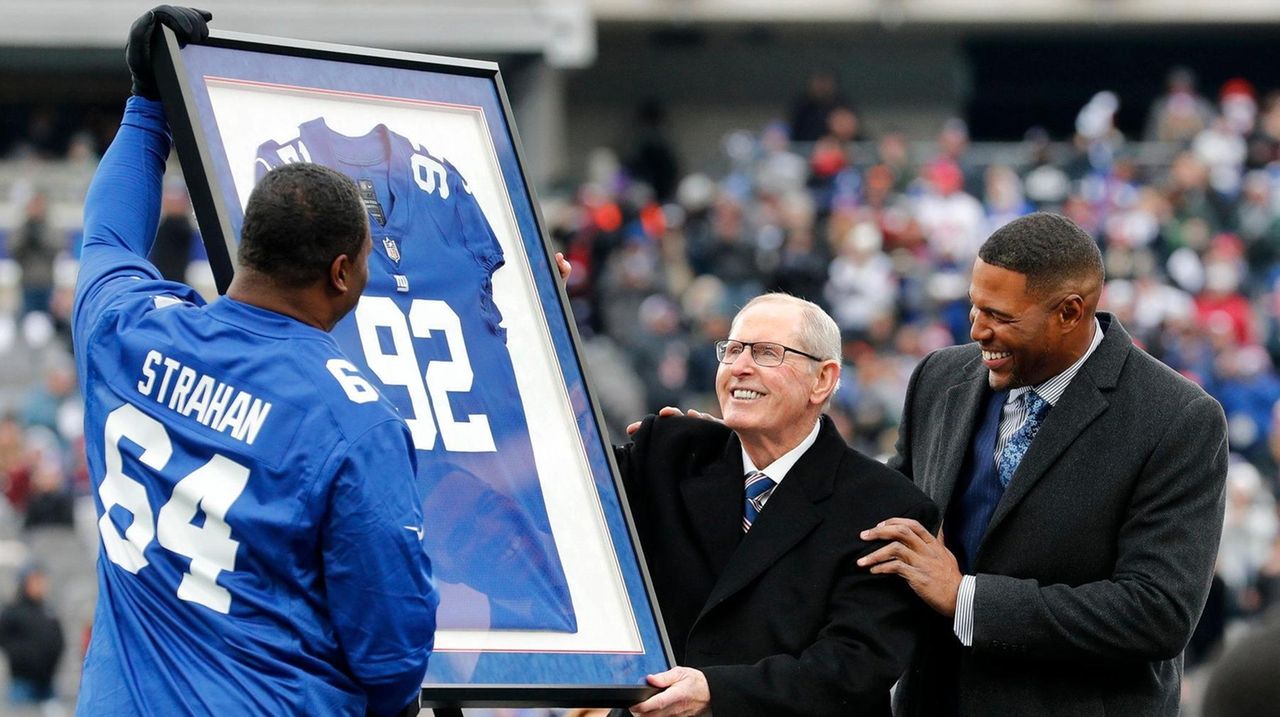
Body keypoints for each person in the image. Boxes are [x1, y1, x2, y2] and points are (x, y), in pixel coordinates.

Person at [73, 7, 436, 716]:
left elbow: (106, 236)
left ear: (251, 246)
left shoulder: (129, 330)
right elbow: (390, 656)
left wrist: (148, 102)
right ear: (341, 272)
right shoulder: (354, 417)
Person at [861, 212, 1228, 715]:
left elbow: (1157, 613)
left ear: (1070, 312)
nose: (977, 330)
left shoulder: (1178, 418)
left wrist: (967, 599)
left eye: (1001, 316)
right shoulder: (939, 376)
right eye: (974, 307)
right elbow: (892, 520)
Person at [616, 293, 937, 717]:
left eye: (767, 353)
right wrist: (536, 313)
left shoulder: (888, 507)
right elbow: (558, 485)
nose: (740, 367)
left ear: (822, 379)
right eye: (732, 350)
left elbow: (853, 666)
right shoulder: (668, 449)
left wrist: (716, 691)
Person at [0, 563, 64, 706]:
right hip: (23, 683)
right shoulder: (13, 611)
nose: (40, 585)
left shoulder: (48, 611)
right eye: (35, 580)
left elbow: (58, 639)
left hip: (48, 683)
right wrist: (25, 658)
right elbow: (6, 640)